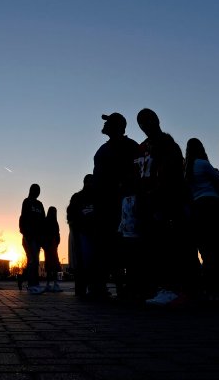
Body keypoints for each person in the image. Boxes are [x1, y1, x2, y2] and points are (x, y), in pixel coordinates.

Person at [134, 108, 195, 307]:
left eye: (147, 120)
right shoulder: (143, 148)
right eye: (141, 122)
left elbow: (172, 177)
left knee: (168, 246)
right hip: (149, 201)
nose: (145, 125)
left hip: (164, 201)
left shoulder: (167, 145)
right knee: (156, 247)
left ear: (156, 120)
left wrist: (161, 197)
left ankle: (173, 288)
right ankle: (164, 287)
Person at [91, 112, 143, 300]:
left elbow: (137, 173)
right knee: (106, 245)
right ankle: (105, 286)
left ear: (117, 127)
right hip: (105, 205)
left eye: (109, 123)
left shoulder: (131, 147)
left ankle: (128, 287)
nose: (104, 125)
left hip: (124, 206)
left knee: (126, 245)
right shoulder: (103, 150)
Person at [184, 137, 219, 303]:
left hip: (196, 207)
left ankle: (208, 289)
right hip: (212, 205)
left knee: (205, 248)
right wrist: (215, 174)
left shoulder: (186, 169)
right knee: (217, 246)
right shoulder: (203, 163)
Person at [66, 174, 101, 297]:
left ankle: (93, 288)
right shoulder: (77, 197)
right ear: (84, 183)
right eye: (88, 182)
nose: (90, 184)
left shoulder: (97, 198)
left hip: (95, 234)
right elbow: (70, 215)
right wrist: (75, 228)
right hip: (82, 234)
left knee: (93, 262)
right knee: (82, 262)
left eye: (92, 182)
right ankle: (81, 289)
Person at [19, 183, 47, 294]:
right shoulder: (26, 202)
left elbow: (43, 220)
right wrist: (25, 232)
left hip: (38, 237)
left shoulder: (40, 204)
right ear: (31, 190)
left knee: (35, 261)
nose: (37, 192)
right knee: (33, 260)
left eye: (38, 190)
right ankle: (32, 285)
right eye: (35, 190)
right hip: (29, 236)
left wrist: (43, 236)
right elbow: (23, 217)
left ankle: (28, 281)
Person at [43, 207, 63, 292]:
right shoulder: (51, 222)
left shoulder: (48, 221)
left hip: (51, 246)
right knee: (53, 265)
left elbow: (57, 234)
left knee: (50, 265)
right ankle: (53, 284)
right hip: (50, 246)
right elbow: (56, 234)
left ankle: (50, 284)